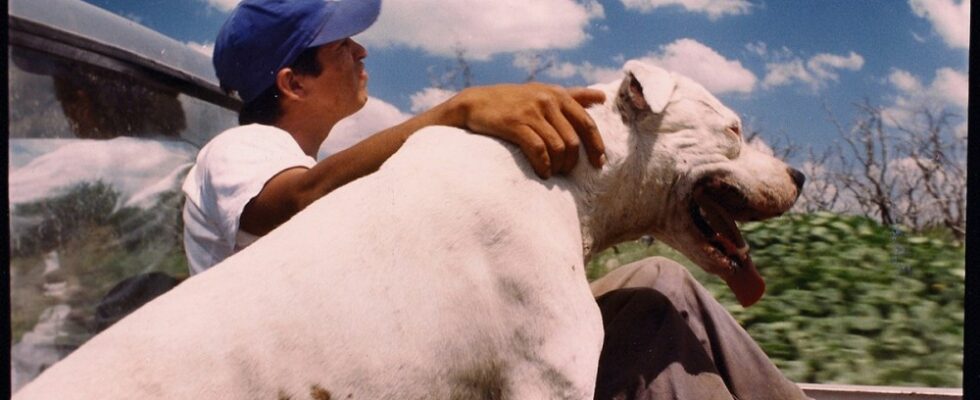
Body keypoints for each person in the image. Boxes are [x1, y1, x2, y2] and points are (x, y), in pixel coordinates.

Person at [182, 1, 811, 399]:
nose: (362, 50)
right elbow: (293, 202)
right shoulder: (242, 151)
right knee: (657, 311)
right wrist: (458, 110)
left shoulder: (313, 162)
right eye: (341, 45)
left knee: (661, 283)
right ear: (292, 82)